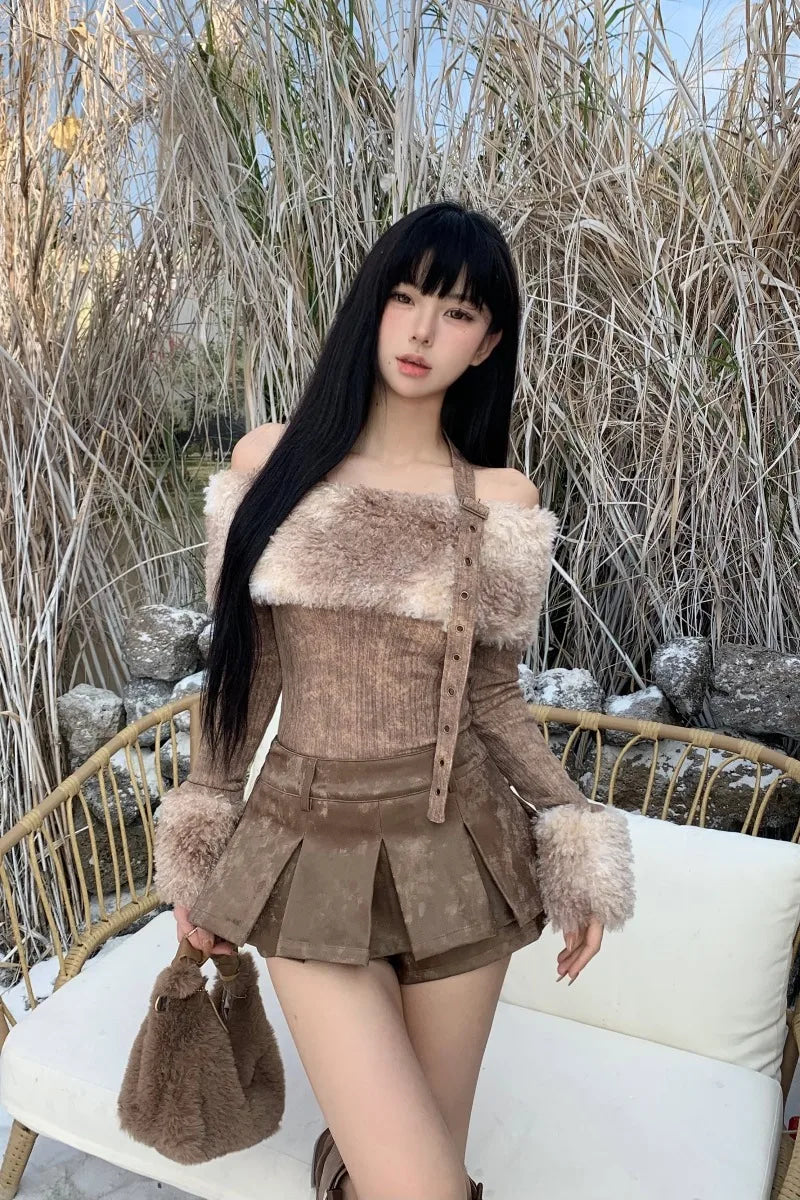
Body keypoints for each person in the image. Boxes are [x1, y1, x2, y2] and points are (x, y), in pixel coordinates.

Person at [153, 200, 635, 1200]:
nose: (422, 331)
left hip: (460, 848)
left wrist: (575, 839)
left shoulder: (498, 500)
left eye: (457, 312)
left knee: (408, 1176)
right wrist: (202, 840)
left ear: (487, 342)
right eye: (406, 297)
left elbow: (492, 697)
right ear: (371, 305)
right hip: (304, 839)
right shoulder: (270, 463)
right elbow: (248, 675)